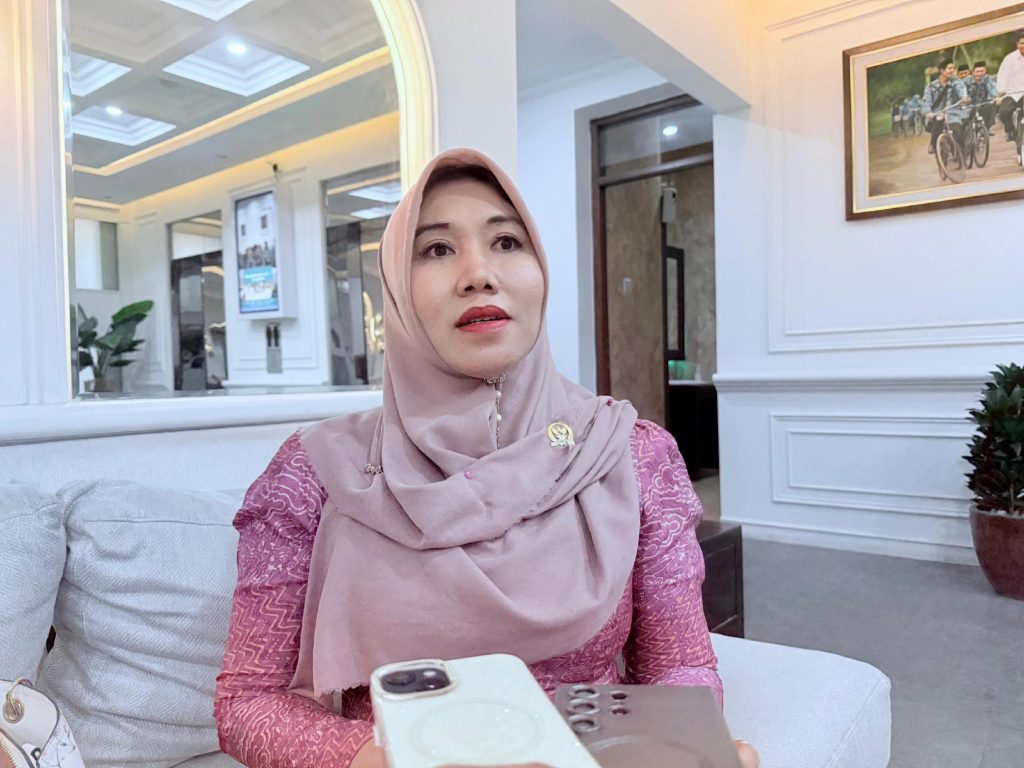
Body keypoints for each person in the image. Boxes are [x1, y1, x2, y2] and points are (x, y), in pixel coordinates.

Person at [213, 148, 760, 768]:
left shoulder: (627, 452)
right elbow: (248, 701)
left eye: (506, 242)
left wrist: (683, 749)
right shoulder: (315, 472)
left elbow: (678, 666)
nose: (478, 273)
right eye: (436, 249)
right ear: (396, 290)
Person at [923, 58, 969, 154]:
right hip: (937, 114)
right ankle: (933, 144)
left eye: (953, 68)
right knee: (938, 123)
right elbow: (926, 101)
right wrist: (928, 112)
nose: (952, 71)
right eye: (949, 68)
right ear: (942, 70)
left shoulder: (956, 83)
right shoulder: (931, 87)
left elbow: (962, 91)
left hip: (953, 114)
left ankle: (960, 154)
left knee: (958, 134)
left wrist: (964, 98)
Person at [996, 31, 1024, 142]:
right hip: (1013, 93)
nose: (1023, 46)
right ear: (1017, 45)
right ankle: (1011, 131)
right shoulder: (1009, 59)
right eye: (1021, 43)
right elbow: (1002, 75)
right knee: (1003, 112)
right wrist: (1001, 91)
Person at [966, 61, 998, 134]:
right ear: (973, 72)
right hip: (969, 105)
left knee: (992, 104)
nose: (980, 74)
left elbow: (992, 88)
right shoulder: (966, 81)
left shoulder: (987, 79)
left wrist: (995, 96)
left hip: (983, 103)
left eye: (982, 71)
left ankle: (987, 128)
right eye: (977, 71)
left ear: (985, 71)